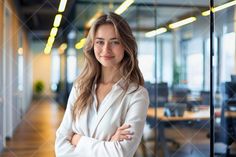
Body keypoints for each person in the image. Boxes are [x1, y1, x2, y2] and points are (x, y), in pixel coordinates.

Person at [55, 12, 149, 157]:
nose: (106, 49)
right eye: (100, 42)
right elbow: (61, 145)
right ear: (92, 45)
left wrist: (77, 139)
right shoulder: (80, 87)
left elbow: (120, 152)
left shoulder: (136, 94)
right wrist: (108, 144)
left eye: (115, 42)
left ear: (126, 45)